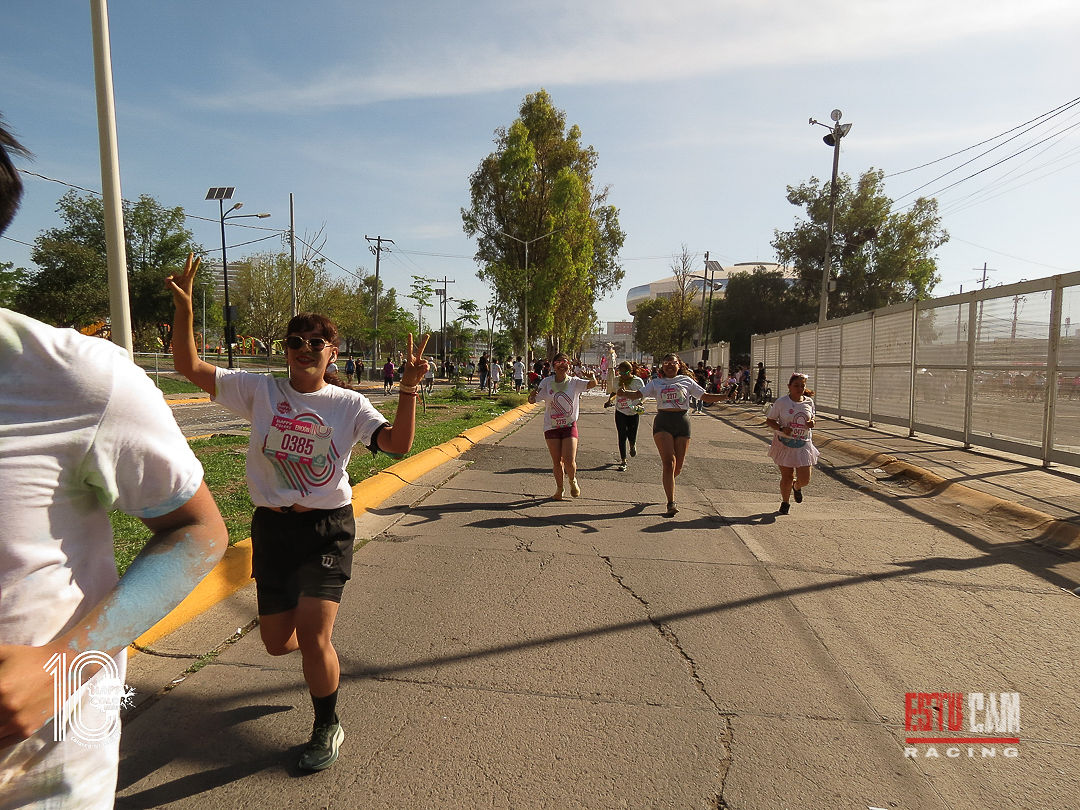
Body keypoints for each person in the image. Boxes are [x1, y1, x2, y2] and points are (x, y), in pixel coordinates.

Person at [0, 120, 228, 807]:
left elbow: (200, 530)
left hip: (41, 783)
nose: (305, 353)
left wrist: (60, 670)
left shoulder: (77, 379)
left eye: (315, 345)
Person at [167, 253, 429, 772]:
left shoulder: (347, 405)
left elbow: (397, 444)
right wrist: (186, 311)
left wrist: (408, 388)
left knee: (313, 635)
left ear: (332, 352)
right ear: (285, 350)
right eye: (296, 341)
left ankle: (326, 724)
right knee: (276, 642)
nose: (305, 349)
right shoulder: (261, 390)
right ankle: (317, 657)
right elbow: (188, 367)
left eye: (316, 342)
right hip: (272, 529)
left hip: (326, 528)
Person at [620, 353, 725, 517]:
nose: (669, 365)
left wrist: (725, 396)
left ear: (679, 365)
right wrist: (625, 393)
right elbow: (638, 394)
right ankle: (671, 502)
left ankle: (667, 481)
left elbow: (704, 396)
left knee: (678, 467)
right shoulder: (656, 383)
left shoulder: (686, 381)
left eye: (673, 363)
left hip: (682, 423)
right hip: (663, 423)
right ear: (662, 366)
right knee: (669, 462)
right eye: (666, 363)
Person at [528, 352, 598, 499]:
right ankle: (559, 489)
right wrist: (532, 396)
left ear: (569, 365)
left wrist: (591, 376)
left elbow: (592, 384)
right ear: (553, 366)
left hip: (569, 425)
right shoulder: (546, 382)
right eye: (558, 362)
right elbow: (533, 399)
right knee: (557, 461)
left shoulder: (574, 382)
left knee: (569, 460)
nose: (562, 365)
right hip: (551, 427)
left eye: (564, 362)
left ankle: (572, 480)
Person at [765, 372, 820, 515]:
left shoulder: (809, 402)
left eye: (802, 386)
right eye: (796, 385)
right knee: (787, 476)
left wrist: (812, 422)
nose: (799, 388)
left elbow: (812, 418)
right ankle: (785, 502)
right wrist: (781, 428)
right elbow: (770, 420)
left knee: (805, 479)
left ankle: (797, 486)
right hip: (784, 443)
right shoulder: (782, 402)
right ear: (789, 386)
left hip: (803, 444)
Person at [611, 360, 644, 472]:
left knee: (632, 433)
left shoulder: (637, 381)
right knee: (621, 435)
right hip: (620, 410)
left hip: (633, 411)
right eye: (620, 373)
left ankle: (632, 444)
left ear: (630, 371)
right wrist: (609, 400)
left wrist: (640, 403)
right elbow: (614, 392)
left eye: (625, 373)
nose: (622, 375)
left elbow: (644, 394)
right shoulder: (617, 380)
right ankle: (623, 460)